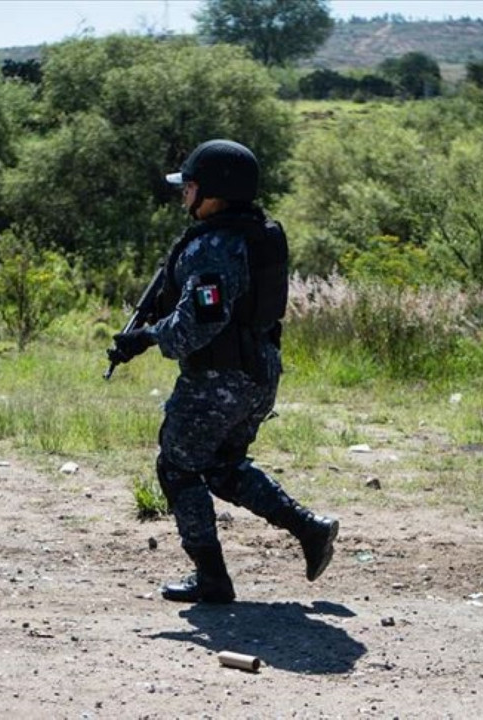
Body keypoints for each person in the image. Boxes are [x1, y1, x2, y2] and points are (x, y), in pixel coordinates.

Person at [107, 139, 338, 604]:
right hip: (258, 374)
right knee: (220, 467)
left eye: (188, 186)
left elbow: (202, 321)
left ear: (211, 192)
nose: (183, 195)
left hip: (219, 381)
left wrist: (149, 338)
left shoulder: (212, 246)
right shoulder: (250, 234)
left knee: (177, 468)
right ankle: (309, 529)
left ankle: (211, 578)